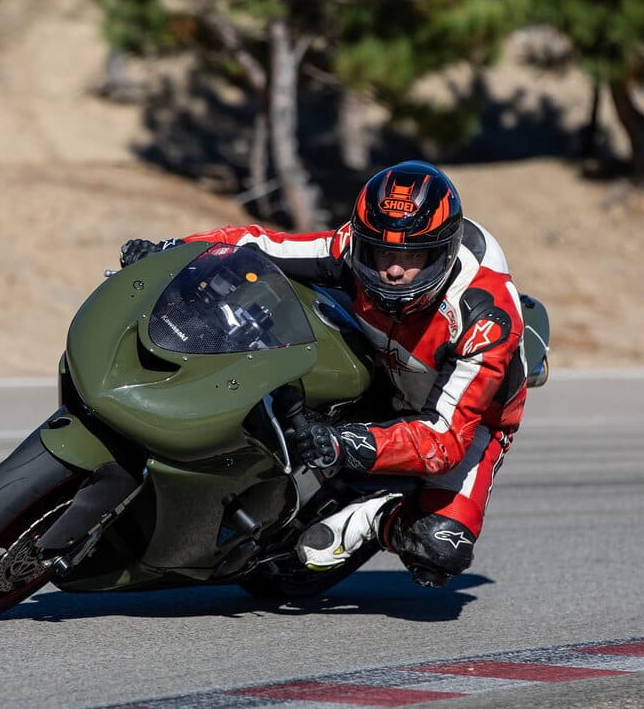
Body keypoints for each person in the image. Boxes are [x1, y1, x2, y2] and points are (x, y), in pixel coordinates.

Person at [120, 160, 528, 587]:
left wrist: (342, 442)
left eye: (412, 257)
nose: (392, 269)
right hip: (377, 364)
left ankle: (379, 519)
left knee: (441, 547)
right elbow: (259, 246)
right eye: (382, 251)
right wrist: (175, 251)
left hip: (467, 421)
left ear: (442, 251)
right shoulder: (350, 247)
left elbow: (444, 440)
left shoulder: (484, 318)